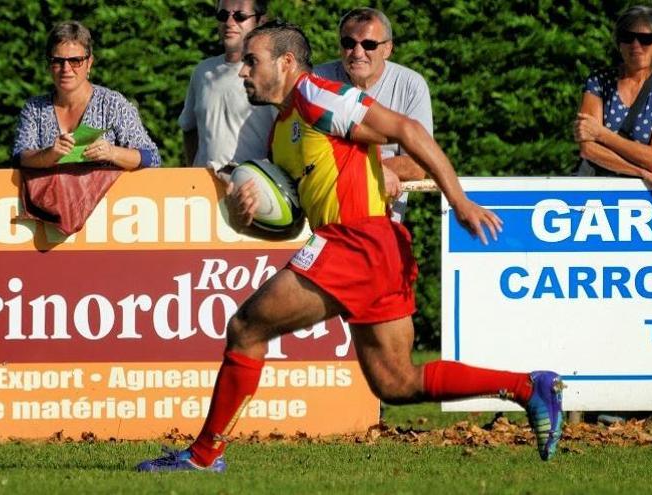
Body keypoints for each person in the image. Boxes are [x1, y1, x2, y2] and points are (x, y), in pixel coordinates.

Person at [136, 21, 564, 473]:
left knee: (246, 327)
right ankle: (528, 386)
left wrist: (458, 201)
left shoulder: (315, 94)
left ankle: (204, 456)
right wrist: (249, 216)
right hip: (371, 247)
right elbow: (292, 223)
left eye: (251, 61)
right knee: (396, 383)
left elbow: (408, 128)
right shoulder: (282, 130)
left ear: (285, 63)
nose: (242, 71)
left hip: (356, 241)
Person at [313, 8, 429, 218]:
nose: (357, 53)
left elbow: (418, 164)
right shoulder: (316, 81)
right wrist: (371, 171)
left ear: (388, 49)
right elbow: (300, 150)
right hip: (324, 217)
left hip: (382, 219)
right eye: (349, 43)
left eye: (369, 45)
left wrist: (365, 172)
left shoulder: (410, 85)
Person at [12, 21, 161, 170]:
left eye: (75, 61)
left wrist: (112, 153)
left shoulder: (112, 104)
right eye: (57, 61)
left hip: (106, 193)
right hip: (51, 193)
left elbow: (152, 157)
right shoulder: (34, 108)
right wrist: (48, 154)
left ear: (89, 63)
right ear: (49, 65)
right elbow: (19, 157)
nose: (66, 69)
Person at [574, 5, 652, 201]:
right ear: (619, 43)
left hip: (645, 198)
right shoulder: (599, 82)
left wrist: (601, 134)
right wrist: (641, 172)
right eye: (628, 37)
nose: (636, 45)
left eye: (646, 39)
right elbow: (588, 149)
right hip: (595, 195)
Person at [178, 0, 277, 166]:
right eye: (223, 15)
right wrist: (192, 173)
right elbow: (188, 128)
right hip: (204, 188)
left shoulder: (272, 73)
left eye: (240, 16)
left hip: (251, 186)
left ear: (261, 21)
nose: (229, 23)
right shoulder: (203, 72)